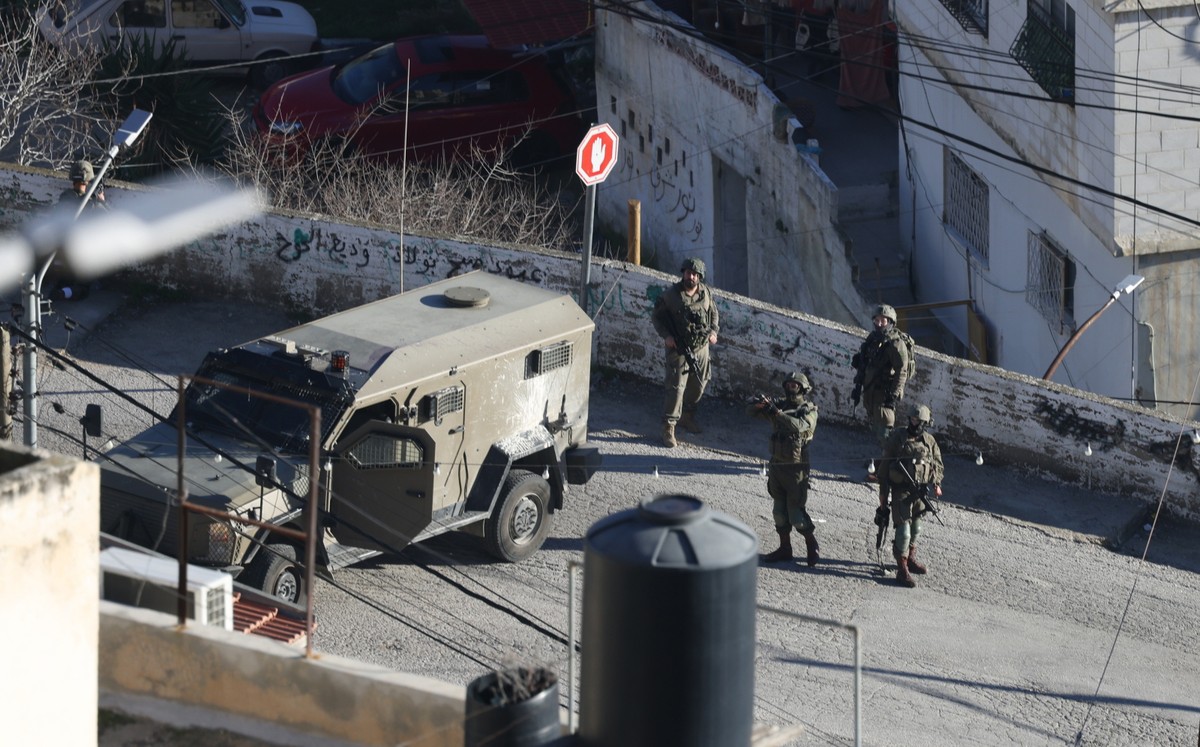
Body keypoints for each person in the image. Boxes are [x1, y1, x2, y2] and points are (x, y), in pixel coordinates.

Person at [749, 371, 820, 566]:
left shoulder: (809, 410)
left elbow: (799, 426)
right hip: (777, 464)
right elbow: (751, 412)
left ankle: (811, 545)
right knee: (779, 512)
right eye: (788, 385)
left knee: (796, 514)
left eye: (795, 385)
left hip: (796, 468)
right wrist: (760, 403)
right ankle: (785, 548)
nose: (791, 388)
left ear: (803, 388)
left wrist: (777, 413)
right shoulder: (779, 405)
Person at [652, 257, 720, 448]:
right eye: (688, 273)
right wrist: (666, 336)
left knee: (699, 384)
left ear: (700, 277)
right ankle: (668, 427)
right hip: (679, 350)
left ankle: (687, 417)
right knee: (675, 389)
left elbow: (714, 312)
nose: (690, 276)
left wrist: (713, 331)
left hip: (701, 348)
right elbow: (656, 318)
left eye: (694, 274)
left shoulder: (705, 293)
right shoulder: (671, 296)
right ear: (683, 273)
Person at [877, 403, 944, 588]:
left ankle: (911, 558)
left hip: (920, 492)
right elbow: (884, 466)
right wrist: (883, 494)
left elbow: (937, 464)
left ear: (925, 423)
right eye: (912, 419)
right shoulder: (898, 437)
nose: (914, 423)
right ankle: (902, 568)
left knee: (916, 529)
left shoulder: (929, 441)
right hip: (901, 491)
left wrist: (936, 482)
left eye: (918, 421)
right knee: (904, 533)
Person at [851, 303, 910, 453]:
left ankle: (890, 462)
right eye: (876, 320)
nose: (879, 324)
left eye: (883, 321)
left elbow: (901, 371)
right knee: (876, 427)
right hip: (870, 391)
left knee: (885, 430)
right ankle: (884, 459)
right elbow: (868, 361)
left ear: (890, 322)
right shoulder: (874, 339)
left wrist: (893, 396)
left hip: (884, 393)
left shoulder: (895, 344)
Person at [50, 159, 107, 300]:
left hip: (63, 249)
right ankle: (65, 293)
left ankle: (60, 290)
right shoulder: (92, 204)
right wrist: (101, 202)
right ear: (87, 181)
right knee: (83, 288)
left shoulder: (65, 198)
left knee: (65, 279)